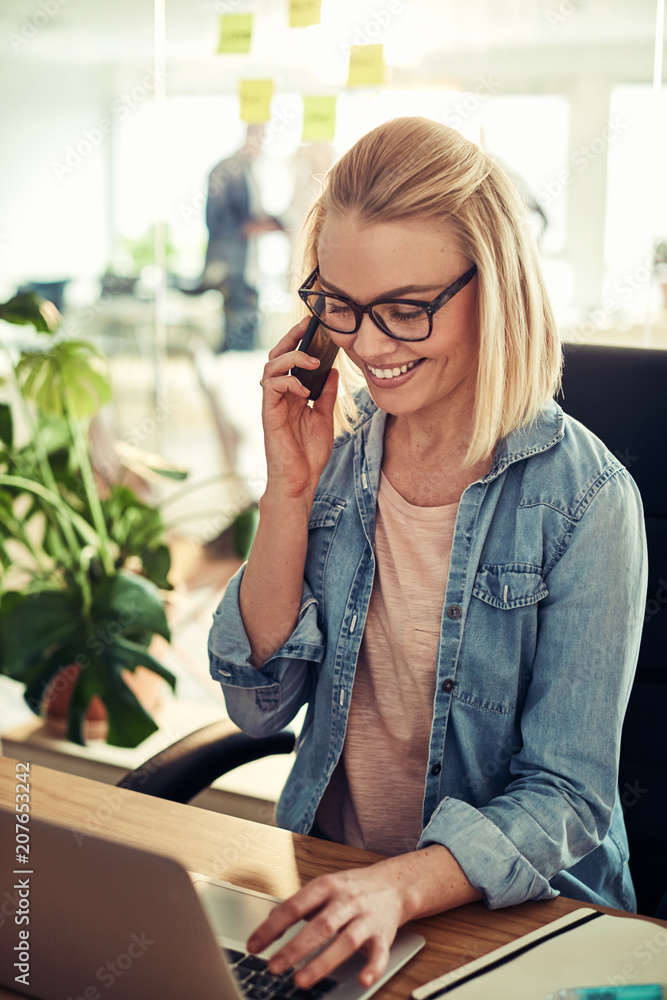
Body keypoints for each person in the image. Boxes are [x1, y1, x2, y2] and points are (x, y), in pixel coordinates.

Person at [208, 117, 647, 991]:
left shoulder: (586, 502)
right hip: (331, 887)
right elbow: (257, 708)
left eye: (406, 310)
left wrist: (396, 888)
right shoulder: (335, 464)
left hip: (512, 925)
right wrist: (287, 492)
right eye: (338, 305)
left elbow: (567, 794)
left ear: (496, 288)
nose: (368, 347)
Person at [201, 124, 283, 351]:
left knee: (246, 332)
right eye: (258, 136)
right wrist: (247, 227)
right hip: (232, 267)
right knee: (237, 335)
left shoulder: (250, 170)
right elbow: (215, 218)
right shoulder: (227, 169)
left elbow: (253, 213)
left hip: (248, 268)